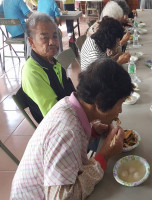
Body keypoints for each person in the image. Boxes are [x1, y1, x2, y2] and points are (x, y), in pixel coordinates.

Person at [11, 58, 133, 199]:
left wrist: (93, 131)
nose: (120, 111)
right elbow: (61, 197)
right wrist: (105, 155)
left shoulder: (69, 105)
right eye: (120, 104)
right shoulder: (67, 131)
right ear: (99, 102)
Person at [22, 12, 75, 123]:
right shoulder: (32, 71)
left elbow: (69, 94)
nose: (52, 42)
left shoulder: (53, 62)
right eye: (45, 38)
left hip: (69, 115)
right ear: (31, 42)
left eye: (55, 36)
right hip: (56, 127)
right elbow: (54, 115)